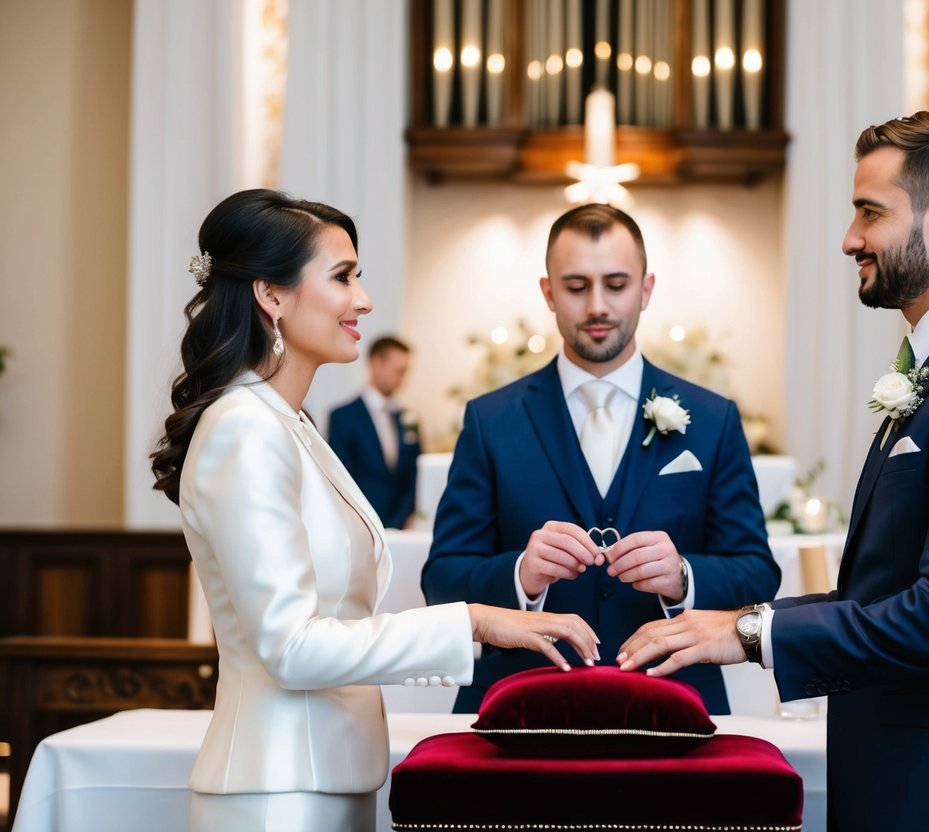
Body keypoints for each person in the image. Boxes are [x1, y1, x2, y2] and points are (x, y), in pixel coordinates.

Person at [617, 111, 929, 832]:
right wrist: (736, 621)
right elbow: (879, 591)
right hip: (905, 776)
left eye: (870, 212)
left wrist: (744, 637)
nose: (849, 239)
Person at [150, 189, 598, 832]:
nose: (363, 300)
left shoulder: (291, 427)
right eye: (343, 277)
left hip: (328, 777)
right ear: (270, 296)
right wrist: (469, 621)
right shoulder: (245, 429)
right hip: (278, 789)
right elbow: (293, 646)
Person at [422, 203, 780, 714]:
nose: (597, 306)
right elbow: (441, 579)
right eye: (575, 287)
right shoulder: (491, 419)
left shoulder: (712, 417)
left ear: (646, 289)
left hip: (672, 707)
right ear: (547, 292)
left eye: (616, 284)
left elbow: (757, 572)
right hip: (519, 710)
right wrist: (521, 574)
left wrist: (683, 577)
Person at [328, 335, 422, 528]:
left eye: (405, 372)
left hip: (401, 525)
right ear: (375, 364)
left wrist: (401, 520)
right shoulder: (343, 416)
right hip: (359, 523)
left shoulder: (410, 418)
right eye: (398, 371)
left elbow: (415, 473)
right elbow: (340, 476)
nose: (402, 379)